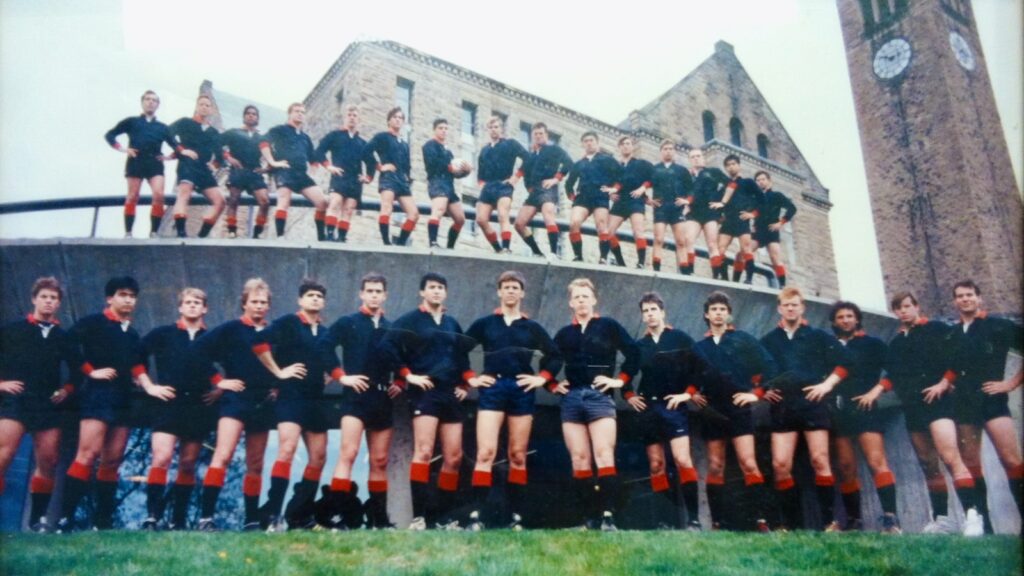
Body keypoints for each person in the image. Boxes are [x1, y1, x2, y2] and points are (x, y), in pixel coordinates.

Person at [858, 291, 982, 535]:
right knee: (928, 465)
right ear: (895, 312)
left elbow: (958, 358)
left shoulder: (936, 329)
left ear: (916, 306)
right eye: (899, 308)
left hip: (938, 403)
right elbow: (893, 375)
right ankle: (942, 520)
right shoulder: (896, 343)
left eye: (907, 306)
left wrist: (943, 383)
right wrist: (876, 391)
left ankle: (972, 515)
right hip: (913, 406)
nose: (904, 311)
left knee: (950, 457)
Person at [56, 277, 175, 532]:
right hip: (98, 395)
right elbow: (66, 342)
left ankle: (103, 522)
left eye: (132, 296)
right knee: (87, 454)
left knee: (112, 461)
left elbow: (136, 365)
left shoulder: (132, 334)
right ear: (110, 298)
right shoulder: (93, 322)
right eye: (123, 295)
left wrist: (144, 383)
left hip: (124, 399)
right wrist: (90, 371)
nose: (128, 300)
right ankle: (65, 518)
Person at [464, 271, 562, 530]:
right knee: (485, 452)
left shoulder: (532, 327)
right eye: (506, 287)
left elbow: (555, 355)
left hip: (520, 389)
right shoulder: (485, 323)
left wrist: (541, 378)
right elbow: (458, 349)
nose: (510, 291)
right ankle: (476, 517)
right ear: (499, 291)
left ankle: (515, 518)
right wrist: (471, 378)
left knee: (517, 455)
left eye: (515, 287)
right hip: (493, 388)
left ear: (522, 293)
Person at [380, 273, 473, 529]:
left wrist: (465, 385)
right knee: (424, 452)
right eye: (431, 287)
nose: (436, 291)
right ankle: (418, 518)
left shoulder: (452, 323)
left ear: (446, 293)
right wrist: (408, 375)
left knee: (454, 457)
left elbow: (462, 357)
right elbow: (387, 346)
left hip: (450, 394)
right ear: (422, 292)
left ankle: (443, 519)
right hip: (425, 392)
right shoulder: (410, 320)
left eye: (441, 287)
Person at [140, 288, 233, 530]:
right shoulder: (163, 334)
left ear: (205, 308)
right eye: (188, 302)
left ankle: (178, 520)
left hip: (198, 406)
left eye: (197, 302)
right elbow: (134, 357)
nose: (192, 306)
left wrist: (219, 389)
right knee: (161, 457)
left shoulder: (213, 337)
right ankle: (152, 517)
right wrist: (149, 386)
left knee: (188, 463)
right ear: (180, 307)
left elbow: (234, 363)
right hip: (168, 404)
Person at [551, 278, 639, 530]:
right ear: (571, 303)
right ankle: (588, 519)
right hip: (572, 398)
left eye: (585, 296)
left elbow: (633, 353)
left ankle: (608, 517)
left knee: (603, 454)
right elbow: (550, 360)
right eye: (577, 297)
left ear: (594, 300)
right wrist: (552, 385)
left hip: (599, 397)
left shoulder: (608, 326)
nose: (581, 301)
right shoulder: (564, 334)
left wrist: (619, 381)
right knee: (579, 459)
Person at [760, 286, 848, 531]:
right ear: (779, 308)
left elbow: (845, 363)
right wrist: (763, 390)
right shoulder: (768, 340)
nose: (791, 309)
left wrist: (826, 385)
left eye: (795, 305)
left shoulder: (818, 336)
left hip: (812, 403)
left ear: (802, 308)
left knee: (820, 460)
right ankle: (791, 526)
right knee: (780, 465)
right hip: (783, 406)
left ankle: (830, 523)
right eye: (786, 305)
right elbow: (754, 371)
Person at [192, 279, 277, 532]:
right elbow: (197, 351)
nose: (259, 306)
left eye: (263, 302)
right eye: (254, 301)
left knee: (256, 464)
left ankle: (251, 520)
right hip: (236, 400)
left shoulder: (273, 332)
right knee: (223, 455)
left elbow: (281, 364)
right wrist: (219, 381)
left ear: (268, 306)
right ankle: (206, 519)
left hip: (263, 402)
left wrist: (277, 386)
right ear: (244, 303)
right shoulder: (230, 329)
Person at [319, 273, 399, 529]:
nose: (374, 295)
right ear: (361, 294)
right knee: (349, 453)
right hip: (355, 397)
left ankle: (379, 520)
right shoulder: (348, 322)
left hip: (382, 398)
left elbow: (404, 359)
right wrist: (341, 376)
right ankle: (338, 516)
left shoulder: (392, 327)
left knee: (379, 460)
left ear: (385, 295)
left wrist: (400, 382)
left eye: (378, 291)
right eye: (370, 291)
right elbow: (324, 346)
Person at [692, 291, 776, 531]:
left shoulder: (743, 339)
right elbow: (689, 376)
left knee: (748, 462)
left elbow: (769, 366)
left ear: (729, 314)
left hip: (738, 407)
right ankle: (717, 523)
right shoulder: (699, 347)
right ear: (706, 315)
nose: (718, 314)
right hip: (713, 411)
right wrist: (693, 393)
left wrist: (756, 393)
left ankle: (761, 520)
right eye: (714, 309)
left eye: (722, 309)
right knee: (715, 465)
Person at [0, 277, 79, 532]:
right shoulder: (12, 329)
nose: (49, 301)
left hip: (47, 404)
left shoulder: (63, 337)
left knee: (49, 460)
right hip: (16, 400)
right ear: (34, 299)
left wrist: (66, 390)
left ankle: (37, 521)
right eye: (44, 296)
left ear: (59, 304)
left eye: (54, 298)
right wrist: (1, 384)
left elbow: (79, 371)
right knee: (4, 455)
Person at [253, 279, 332, 530]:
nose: (315, 299)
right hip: (291, 396)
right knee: (287, 450)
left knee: (319, 457)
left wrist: (328, 375)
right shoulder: (288, 322)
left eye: (319, 296)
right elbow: (259, 343)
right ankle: (272, 515)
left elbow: (332, 362)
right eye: (310, 295)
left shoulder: (325, 331)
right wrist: (279, 372)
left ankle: (299, 515)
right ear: (300, 300)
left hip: (315, 399)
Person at [945, 280, 1022, 531]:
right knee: (971, 463)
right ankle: (985, 526)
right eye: (960, 296)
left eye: (969, 295)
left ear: (979, 298)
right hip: (964, 404)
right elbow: (950, 368)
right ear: (955, 301)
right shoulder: (952, 333)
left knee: (1010, 459)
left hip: (993, 400)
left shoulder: (999, 325)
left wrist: (1010, 383)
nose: (965, 299)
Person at [624, 292, 703, 529]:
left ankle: (694, 520)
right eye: (645, 311)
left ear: (662, 312)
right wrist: (629, 396)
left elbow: (700, 368)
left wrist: (687, 394)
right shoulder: (639, 346)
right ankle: (663, 522)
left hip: (674, 407)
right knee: (656, 464)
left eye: (653, 310)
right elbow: (626, 375)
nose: (650, 315)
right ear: (642, 316)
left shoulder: (680, 338)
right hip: (649, 409)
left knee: (682, 459)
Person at [826, 301, 901, 533]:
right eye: (840, 317)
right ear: (834, 321)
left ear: (857, 319)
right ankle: (854, 521)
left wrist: (876, 391)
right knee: (846, 467)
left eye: (850, 316)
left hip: (866, 408)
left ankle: (891, 519)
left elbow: (896, 370)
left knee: (876, 461)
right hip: (839, 411)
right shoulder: (829, 346)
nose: (845, 320)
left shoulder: (873, 343)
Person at [104, 90, 177, 238]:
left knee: (159, 194)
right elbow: (110, 135)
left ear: (158, 105)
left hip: (154, 163)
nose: (151, 102)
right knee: (132, 195)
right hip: (136, 161)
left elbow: (176, 146)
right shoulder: (131, 121)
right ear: (142, 102)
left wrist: (170, 157)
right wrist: (123, 149)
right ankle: (128, 232)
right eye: (148, 99)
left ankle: (154, 232)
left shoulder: (163, 127)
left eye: (154, 100)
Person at [260, 103, 329, 241]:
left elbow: (313, 159)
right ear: (290, 113)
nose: (300, 114)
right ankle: (280, 237)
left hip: (301, 174)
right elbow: (263, 143)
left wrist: (313, 171)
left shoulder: (305, 137)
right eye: (297, 111)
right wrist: (272, 162)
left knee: (322, 202)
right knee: (284, 201)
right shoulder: (279, 130)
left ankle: (321, 238)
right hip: (284, 171)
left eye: (302, 112)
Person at [168, 95, 226, 239]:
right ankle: (181, 234)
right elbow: (167, 133)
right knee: (184, 194)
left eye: (207, 105)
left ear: (211, 110)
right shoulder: (185, 122)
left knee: (220, 201)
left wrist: (214, 165)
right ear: (196, 106)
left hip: (203, 169)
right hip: (187, 164)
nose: (204, 107)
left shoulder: (214, 132)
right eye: (201, 104)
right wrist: (181, 150)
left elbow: (220, 156)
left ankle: (202, 236)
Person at [315, 105, 371, 242]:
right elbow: (319, 151)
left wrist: (368, 177)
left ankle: (341, 238)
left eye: (355, 115)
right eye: (349, 115)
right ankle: (329, 236)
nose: (352, 118)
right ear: (344, 117)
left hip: (355, 181)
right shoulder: (335, 136)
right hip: (339, 177)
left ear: (359, 119)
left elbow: (371, 162)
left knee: (348, 210)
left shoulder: (362, 142)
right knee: (335, 203)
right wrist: (329, 166)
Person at [515, 122, 572, 257]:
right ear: (532, 136)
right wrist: (529, 188)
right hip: (534, 192)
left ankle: (553, 253)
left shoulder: (554, 149)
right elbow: (524, 173)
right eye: (535, 134)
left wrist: (556, 179)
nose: (538, 136)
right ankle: (537, 252)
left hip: (548, 188)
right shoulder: (531, 155)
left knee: (548, 214)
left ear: (546, 135)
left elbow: (569, 162)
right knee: (519, 224)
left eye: (541, 133)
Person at [364, 107, 417, 246]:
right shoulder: (382, 137)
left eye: (401, 118)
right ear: (389, 120)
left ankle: (400, 243)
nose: (398, 120)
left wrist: (407, 177)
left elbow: (407, 165)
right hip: (388, 178)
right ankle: (386, 242)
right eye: (395, 117)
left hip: (402, 181)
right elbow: (366, 151)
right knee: (387, 208)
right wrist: (379, 167)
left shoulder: (404, 144)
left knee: (413, 214)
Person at [475, 116, 529, 254]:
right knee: (481, 219)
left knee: (503, 214)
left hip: (504, 185)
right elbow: (480, 173)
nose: (493, 130)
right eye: (491, 127)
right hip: (488, 187)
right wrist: (481, 184)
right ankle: (498, 249)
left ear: (502, 129)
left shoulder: (510, 144)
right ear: (488, 130)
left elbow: (528, 158)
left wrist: (516, 177)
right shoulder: (485, 150)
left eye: (496, 127)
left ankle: (506, 247)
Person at [565, 133, 621, 263]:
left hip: (600, 196)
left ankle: (603, 258)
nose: (589, 143)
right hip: (582, 197)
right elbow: (569, 183)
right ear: (583, 144)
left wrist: (614, 189)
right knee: (574, 223)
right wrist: (572, 196)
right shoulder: (579, 163)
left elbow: (621, 176)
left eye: (591, 140)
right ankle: (578, 256)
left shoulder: (607, 159)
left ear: (597, 142)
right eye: (586, 141)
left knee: (602, 225)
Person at [222, 105, 271, 238]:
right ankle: (232, 230)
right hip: (238, 170)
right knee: (233, 199)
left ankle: (257, 232)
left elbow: (272, 154)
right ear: (244, 116)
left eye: (254, 114)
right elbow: (216, 144)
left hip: (254, 172)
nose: (251, 115)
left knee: (265, 201)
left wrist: (267, 168)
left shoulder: (261, 137)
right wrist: (228, 158)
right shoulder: (233, 132)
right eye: (248, 113)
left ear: (257, 118)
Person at [712, 154, 763, 283]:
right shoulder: (725, 186)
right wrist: (719, 217)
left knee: (746, 249)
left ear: (739, 165)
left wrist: (753, 214)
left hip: (742, 219)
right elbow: (717, 203)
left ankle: (748, 279)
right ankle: (724, 279)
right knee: (720, 249)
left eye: (733, 164)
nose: (731, 167)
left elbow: (762, 200)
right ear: (726, 168)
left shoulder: (748, 182)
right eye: (728, 165)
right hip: (728, 220)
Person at [606, 137, 653, 268]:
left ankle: (641, 263)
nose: (625, 146)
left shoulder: (641, 164)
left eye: (628, 143)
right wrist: (610, 193)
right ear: (619, 147)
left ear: (632, 146)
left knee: (638, 231)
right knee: (608, 232)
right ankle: (620, 262)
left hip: (635, 200)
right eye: (623, 144)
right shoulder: (616, 166)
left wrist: (643, 188)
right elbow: (609, 182)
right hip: (620, 201)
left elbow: (654, 177)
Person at [422, 118, 469, 249]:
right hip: (437, 182)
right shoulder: (429, 145)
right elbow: (432, 164)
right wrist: (450, 168)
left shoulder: (448, 151)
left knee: (460, 219)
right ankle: (433, 243)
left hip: (449, 186)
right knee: (438, 210)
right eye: (441, 128)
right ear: (435, 130)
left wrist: (465, 171)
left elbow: (453, 172)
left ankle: (450, 247)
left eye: (446, 128)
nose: (443, 131)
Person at [649, 140, 694, 274]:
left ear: (674, 152)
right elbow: (644, 184)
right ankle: (656, 270)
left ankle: (685, 272)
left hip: (676, 209)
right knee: (659, 239)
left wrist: (687, 201)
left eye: (670, 149)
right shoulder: (655, 169)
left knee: (681, 241)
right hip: (661, 208)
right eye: (665, 149)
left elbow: (691, 189)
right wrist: (647, 200)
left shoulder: (682, 170)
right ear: (661, 151)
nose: (668, 151)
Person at [684, 148, 729, 279]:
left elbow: (730, 185)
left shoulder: (713, 172)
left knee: (712, 244)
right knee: (688, 239)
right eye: (693, 157)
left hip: (710, 212)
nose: (696, 158)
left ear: (703, 158)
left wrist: (722, 203)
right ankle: (689, 272)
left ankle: (716, 275)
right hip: (694, 212)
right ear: (690, 160)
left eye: (698, 156)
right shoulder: (687, 176)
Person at [751, 172, 797, 287]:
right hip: (758, 230)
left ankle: (782, 285)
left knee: (775, 258)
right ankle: (748, 279)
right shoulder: (756, 198)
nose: (760, 182)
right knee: (746, 252)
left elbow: (792, 208)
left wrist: (781, 223)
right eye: (758, 180)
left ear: (769, 181)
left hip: (771, 230)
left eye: (763, 179)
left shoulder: (776, 195)